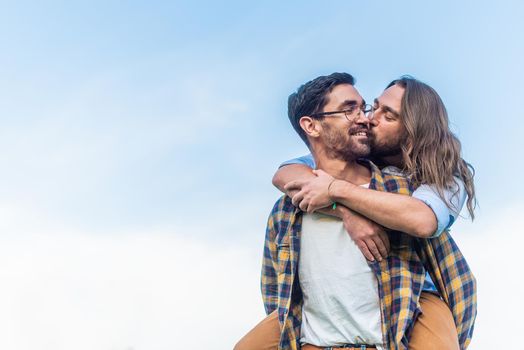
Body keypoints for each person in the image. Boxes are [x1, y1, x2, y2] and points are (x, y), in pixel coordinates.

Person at [234, 73, 476, 350]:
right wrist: (346, 213)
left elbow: (422, 220)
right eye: (369, 108)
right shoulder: (340, 162)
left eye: (388, 116)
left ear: (411, 130)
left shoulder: (439, 176)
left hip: (419, 292)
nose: (368, 118)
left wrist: (338, 191)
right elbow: (286, 174)